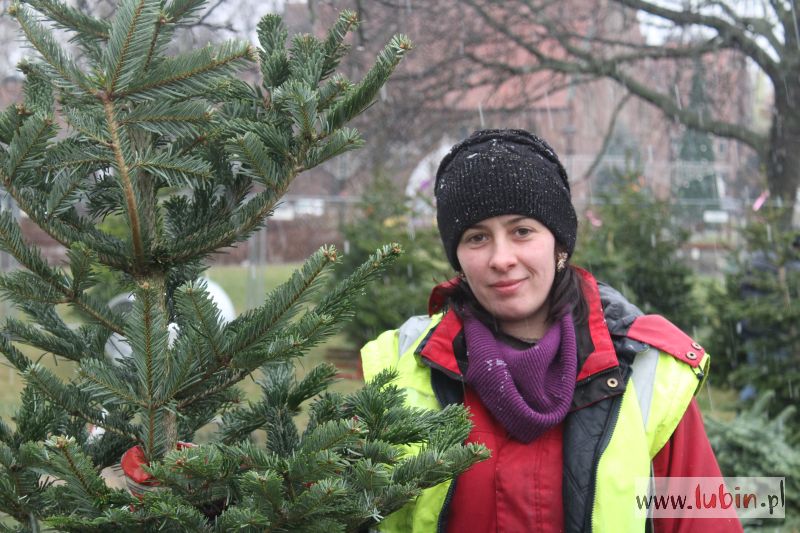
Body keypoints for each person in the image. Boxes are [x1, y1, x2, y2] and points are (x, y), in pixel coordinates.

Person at [360, 129, 742, 532]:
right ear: (457, 257)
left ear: (559, 244)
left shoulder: (648, 372)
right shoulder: (396, 369)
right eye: (477, 238)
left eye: (522, 230)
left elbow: (700, 519)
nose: (501, 258)